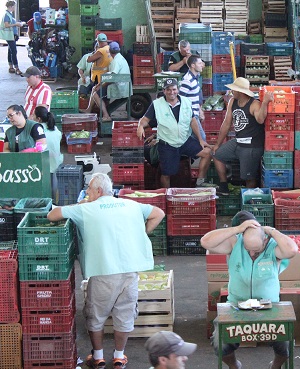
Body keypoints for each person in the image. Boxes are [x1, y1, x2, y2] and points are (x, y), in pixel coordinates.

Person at [46, 173, 165, 369]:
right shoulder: (130, 205)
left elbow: (53, 215)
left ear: (98, 191)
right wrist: (140, 233)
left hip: (103, 271)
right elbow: (158, 213)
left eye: (89, 190)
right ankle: (119, 356)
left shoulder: (86, 209)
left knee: (96, 315)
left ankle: (98, 356)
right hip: (130, 270)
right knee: (124, 314)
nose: (87, 193)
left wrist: (79, 204)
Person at [201, 210, 298, 369]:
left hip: (270, 307)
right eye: (248, 249)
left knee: (286, 342)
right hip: (236, 305)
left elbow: (292, 250)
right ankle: (234, 366)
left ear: (265, 240)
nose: (252, 253)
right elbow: (206, 241)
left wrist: (272, 231)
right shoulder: (235, 243)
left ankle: (276, 365)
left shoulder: (273, 247)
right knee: (220, 342)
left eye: (256, 249)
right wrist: (237, 229)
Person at [136, 78, 213, 188]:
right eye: (168, 90)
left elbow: (193, 121)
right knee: (166, 174)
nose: (172, 92)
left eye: (174, 89)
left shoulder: (186, 102)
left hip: (184, 140)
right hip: (167, 144)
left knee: (207, 153)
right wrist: (140, 126)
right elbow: (145, 119)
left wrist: (200, 139)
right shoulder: (157, 104)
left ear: (178, 89)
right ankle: (166, 194)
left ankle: (200, 183)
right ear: (164, 90)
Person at [211, 78, 273, 191]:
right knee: (217, 155)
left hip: (251, 146)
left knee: (248, 178)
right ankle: (224, 186)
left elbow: (260, 119)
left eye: (233, 90)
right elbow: (226, 124)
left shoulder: (254, 104)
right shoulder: (232, 102)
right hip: (238, 141)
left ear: (240, 92)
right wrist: (217, 144)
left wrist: (265, 103)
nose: (231, 92)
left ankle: (250, 197)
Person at [178, 54, 213, 187]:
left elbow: (195, 98)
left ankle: (189, 163)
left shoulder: (195, 78)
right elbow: (180, 100)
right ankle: (199, 180)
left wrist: (200, 110)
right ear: (192, 65)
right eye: (199, 63)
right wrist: (191, 118)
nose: (202, 65)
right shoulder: (187, 80)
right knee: (203, 144)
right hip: (190, 119)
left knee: (201, 145)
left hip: (195, 116)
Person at [83, 42, 132, 121]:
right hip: (122, 83)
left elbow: (112, 78)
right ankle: (88, 110)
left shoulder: (116, 61)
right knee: (94, 88)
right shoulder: (120, 58)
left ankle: (106, 116)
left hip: (119, 86)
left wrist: (101, 86)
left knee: (96, 95)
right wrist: (99, 84)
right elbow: (111, 76)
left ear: (109, 51)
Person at [32, 106, 62, 202]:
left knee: (48, 185)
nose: (31, 117)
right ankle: (54, 201)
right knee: (54, 182)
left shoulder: (38, 130)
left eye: (33, 115)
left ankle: (49, 202)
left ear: (38, 119)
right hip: (57, 160)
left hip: (45, 163)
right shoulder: (56, 129)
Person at [1, 1, 25, 75]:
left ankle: (11, 66)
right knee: (14, 51)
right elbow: (6, 25)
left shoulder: (9, 14)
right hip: (9, 36)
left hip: (11, 35)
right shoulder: (7, 15)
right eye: (14, 6)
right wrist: (16, 24)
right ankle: (16, 68)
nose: (14, 8)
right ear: (11, 6)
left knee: (10, 50)